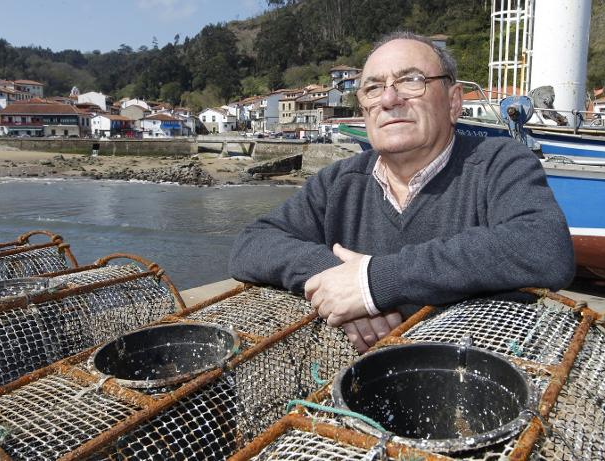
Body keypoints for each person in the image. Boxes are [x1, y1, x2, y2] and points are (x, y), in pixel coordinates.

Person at [229, 32, 574, 352]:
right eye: (374, 88)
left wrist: (374, 283)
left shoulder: (497, 162)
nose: (390, 99)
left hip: (479, 382)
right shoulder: (338, 183)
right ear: (363, 108)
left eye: (411, 81)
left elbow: (542, 246)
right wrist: (336, 279)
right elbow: (251, 244)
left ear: (454, 103)